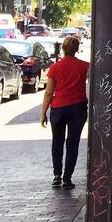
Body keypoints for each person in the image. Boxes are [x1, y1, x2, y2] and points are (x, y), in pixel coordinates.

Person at [41, 34, 89, 189]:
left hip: (58, 108)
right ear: (77, 49)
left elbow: (49, 92)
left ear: (62, 49)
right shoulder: (85, 66)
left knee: (57, 141)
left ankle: (56, 176)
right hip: (78, 108)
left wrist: (43, 112)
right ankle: (67, 178)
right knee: (73, 143)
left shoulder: (55, 68)